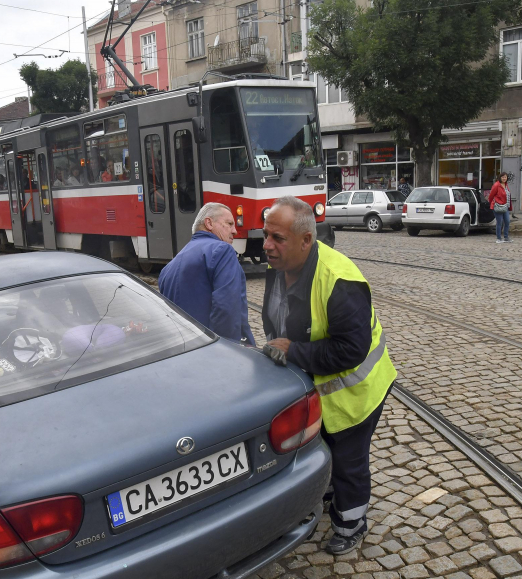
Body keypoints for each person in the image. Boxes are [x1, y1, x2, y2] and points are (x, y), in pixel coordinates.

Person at [259, 196, 396, 556]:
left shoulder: (340, 279)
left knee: (349, 460)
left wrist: (293, 351)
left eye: (277, 238)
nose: (266, 246)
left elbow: (352, 350)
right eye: (265, 235)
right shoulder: (280, 265)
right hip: (318, 388)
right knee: (322, 450)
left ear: (306, 240)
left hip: (357, 392)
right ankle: (328, 496)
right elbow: (276, 318)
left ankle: (350, 523)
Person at [158, 203, 255, 345]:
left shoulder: (168, 268)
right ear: (209, 223)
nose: (234, 231)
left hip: (184, 350)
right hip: (214, 351)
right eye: (229, 223)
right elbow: (227, 311)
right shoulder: (222, 250)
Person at [489, 172, 513, 243]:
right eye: (503, 177)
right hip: (498, 206)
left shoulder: (506, 185)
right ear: (500, 178)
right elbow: (491, 196)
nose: (504, 178)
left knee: (507, 221)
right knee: (500, 222)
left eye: (505, 177)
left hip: (505, 206)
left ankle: (506, 237)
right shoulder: (496, 185)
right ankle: (498, 238)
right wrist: (492, 203)